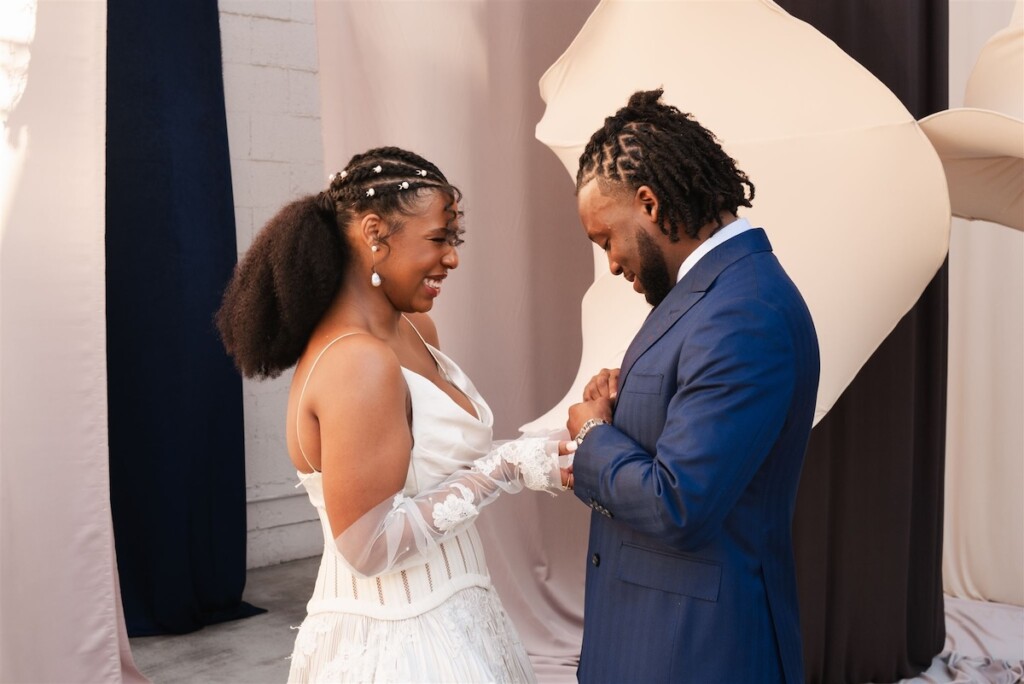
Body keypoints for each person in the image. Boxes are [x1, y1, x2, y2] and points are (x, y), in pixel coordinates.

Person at [215, 146, 572, 683]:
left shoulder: (414, 331)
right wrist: (505, 469)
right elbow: (369, 545)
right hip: (400, 637)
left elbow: (436, 471)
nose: (451, 258)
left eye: (454, 240)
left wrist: (543, 450)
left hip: (462, 608)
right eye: (438, 239)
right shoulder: (356, 363)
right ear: (374, 233)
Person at [564, 89, 820, 684]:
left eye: (607, 239)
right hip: (656, 638)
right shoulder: (707, 292)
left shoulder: (745, 310)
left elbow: (678, 502)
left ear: (649, 204)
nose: (612, 263)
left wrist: (593, 435)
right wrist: (629, 402)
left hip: (700, 652)